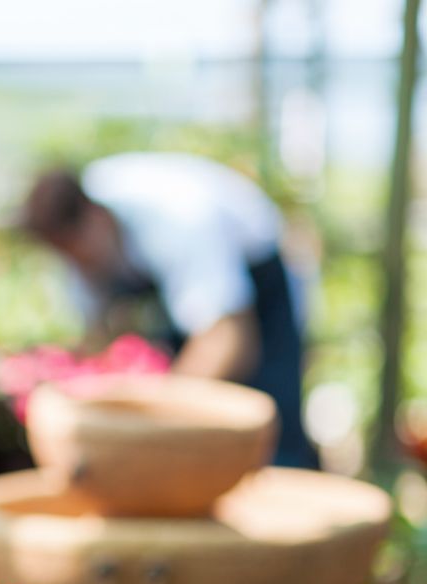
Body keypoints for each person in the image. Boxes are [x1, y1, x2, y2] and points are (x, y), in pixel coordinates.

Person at [20, 152, 318, 469]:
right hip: (184, 294)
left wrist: (156, 415)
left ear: (96, 217)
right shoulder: (78, 234)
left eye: (79, 253)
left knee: (269, 423)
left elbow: (228, 341)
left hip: (257, 279)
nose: (78, 266)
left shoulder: (178, 220)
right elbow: (96, 339)